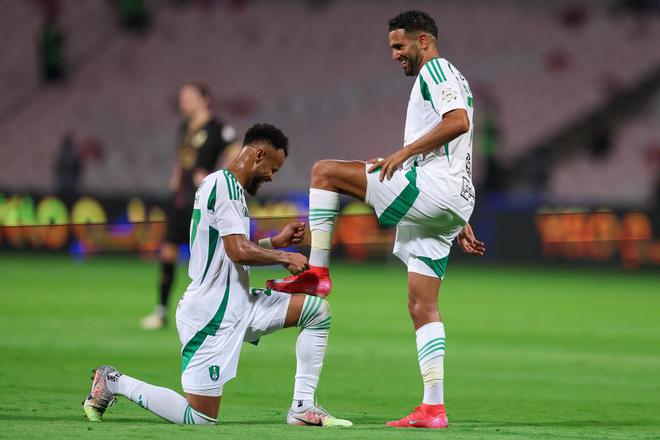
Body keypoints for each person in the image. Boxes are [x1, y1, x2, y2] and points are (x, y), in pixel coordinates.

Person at [267, 10, 485, 429]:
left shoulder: (436, 69)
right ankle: (433, 408)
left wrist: (403, 155)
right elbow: (456, 145)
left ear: (423, 41)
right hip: (450, 198)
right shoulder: (455, 77)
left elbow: (457, 123)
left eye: (399, 46)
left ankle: (317, 272)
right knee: (422, 305)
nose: (394, 54)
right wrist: (456, 216)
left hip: (435, 189)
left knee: (324, 172)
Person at [83, 123, 351, 427]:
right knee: (200, 417)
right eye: (272, 168)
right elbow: (237, 251)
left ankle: (302, 406)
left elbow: (228, 252)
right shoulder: (223, 186)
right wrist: (283, 256)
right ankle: (113, 381)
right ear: (258, 155)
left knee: (316, 311)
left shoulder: (227, 187)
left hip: (240, 304)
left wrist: (275, 243)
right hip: (211, 313)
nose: (271, 177)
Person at [141, 82, 240, 330]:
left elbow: (237, 151)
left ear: (204, 99)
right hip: (181, 198)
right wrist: (175, 178)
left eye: (189, 97)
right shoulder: (184, 127)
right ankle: (161, 310)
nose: (183, 102)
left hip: (203, 199)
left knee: (207, 257)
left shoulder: (218, 128)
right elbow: (181, 160)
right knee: (168, 251)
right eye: (182, 97)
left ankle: (215, 311)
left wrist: (217, 176)